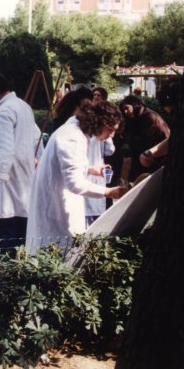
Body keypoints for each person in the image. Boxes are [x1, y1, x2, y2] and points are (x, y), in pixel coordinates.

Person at [26, 100, 127, 254]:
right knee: (53, 253)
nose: (111, 136)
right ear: (101, 122)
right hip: (54, 205)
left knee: (59, 250)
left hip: (57, 200)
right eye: (110, 130)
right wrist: (108, 192)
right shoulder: (72, 137)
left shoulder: (75, 131)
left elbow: (68, 164)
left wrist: (91, 169)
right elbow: (75, 183)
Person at [0, 72, 38, 253]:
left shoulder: (4, 111)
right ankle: (19, 270)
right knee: (22, 226)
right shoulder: (23, 106)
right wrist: (36, 158)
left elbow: (5, 147)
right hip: (24, 172)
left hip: (8, 177)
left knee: (7, 226)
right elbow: (37, 136)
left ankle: (7, 272)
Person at [119, 95, 170, 181]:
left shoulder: (150, 118)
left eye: (127, 108)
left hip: (155, 159)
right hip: (143, 158)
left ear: (135, 105)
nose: (125, 112)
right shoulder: (137, 117)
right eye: (123, 109)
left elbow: (148, 144)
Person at [85, 87, 115, 226]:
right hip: (87, 172)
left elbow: (110, 151)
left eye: (99, 95)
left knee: (97, 213)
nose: (96, 97)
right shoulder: (85, 128)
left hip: (98, 170)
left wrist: (108, 136)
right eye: (94, 95)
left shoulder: (103, 128)